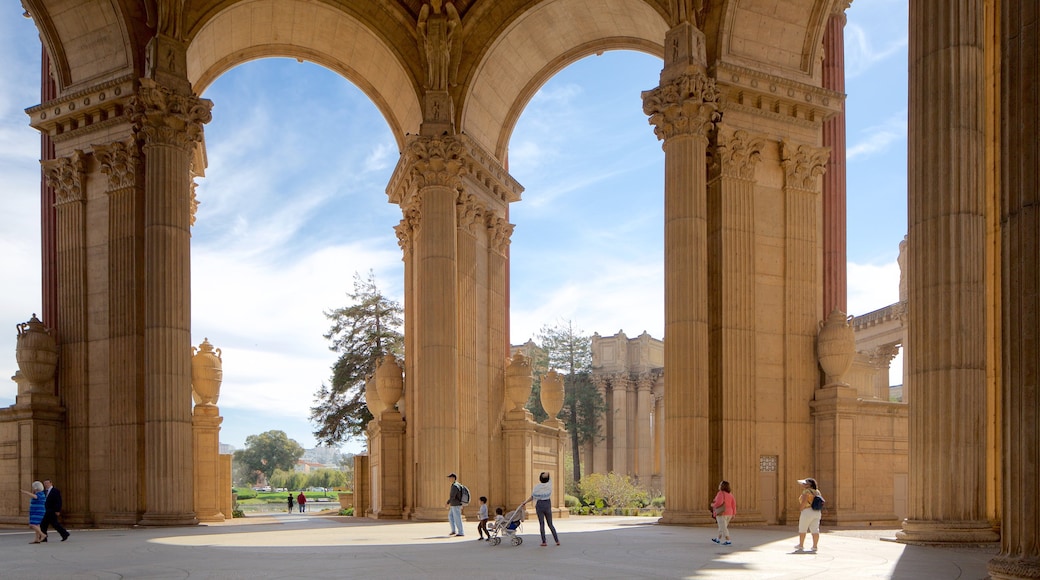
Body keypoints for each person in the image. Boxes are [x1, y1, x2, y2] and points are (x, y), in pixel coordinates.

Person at [521, 471, 559, 547]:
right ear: (548, 479)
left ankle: (544, 541)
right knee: (550, 524)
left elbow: (532, 497)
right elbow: (548, 474)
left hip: (539, 505)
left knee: (542, 524)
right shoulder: (549, 485)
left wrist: (525, 502)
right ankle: (557, 540)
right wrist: (545, 474)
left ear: (540, 479)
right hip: (547, 504)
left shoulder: (537, 487)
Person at [795, 477, 823, 552]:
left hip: (807, 511)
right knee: (815, 529)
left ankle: (801, 545)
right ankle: (815, 546)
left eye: (805, 483)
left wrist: (800, 509)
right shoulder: (817, 492)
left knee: (803, 528)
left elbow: (804, 502)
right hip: (817, 512)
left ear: (809, 485)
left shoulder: (806, 491)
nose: (803, 484)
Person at [709, 480, 737, 545]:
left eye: (720, 484)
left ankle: (728, 540)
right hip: (729, 513)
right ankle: (718, 539)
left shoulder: (721, 493)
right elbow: (734, 504)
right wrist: (734, 514)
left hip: (722, 513)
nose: (719, 486)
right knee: (722, 527)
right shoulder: (730, 495)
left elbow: (719, 502)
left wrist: (713, 505)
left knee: (723, 528)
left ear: (722, 486)